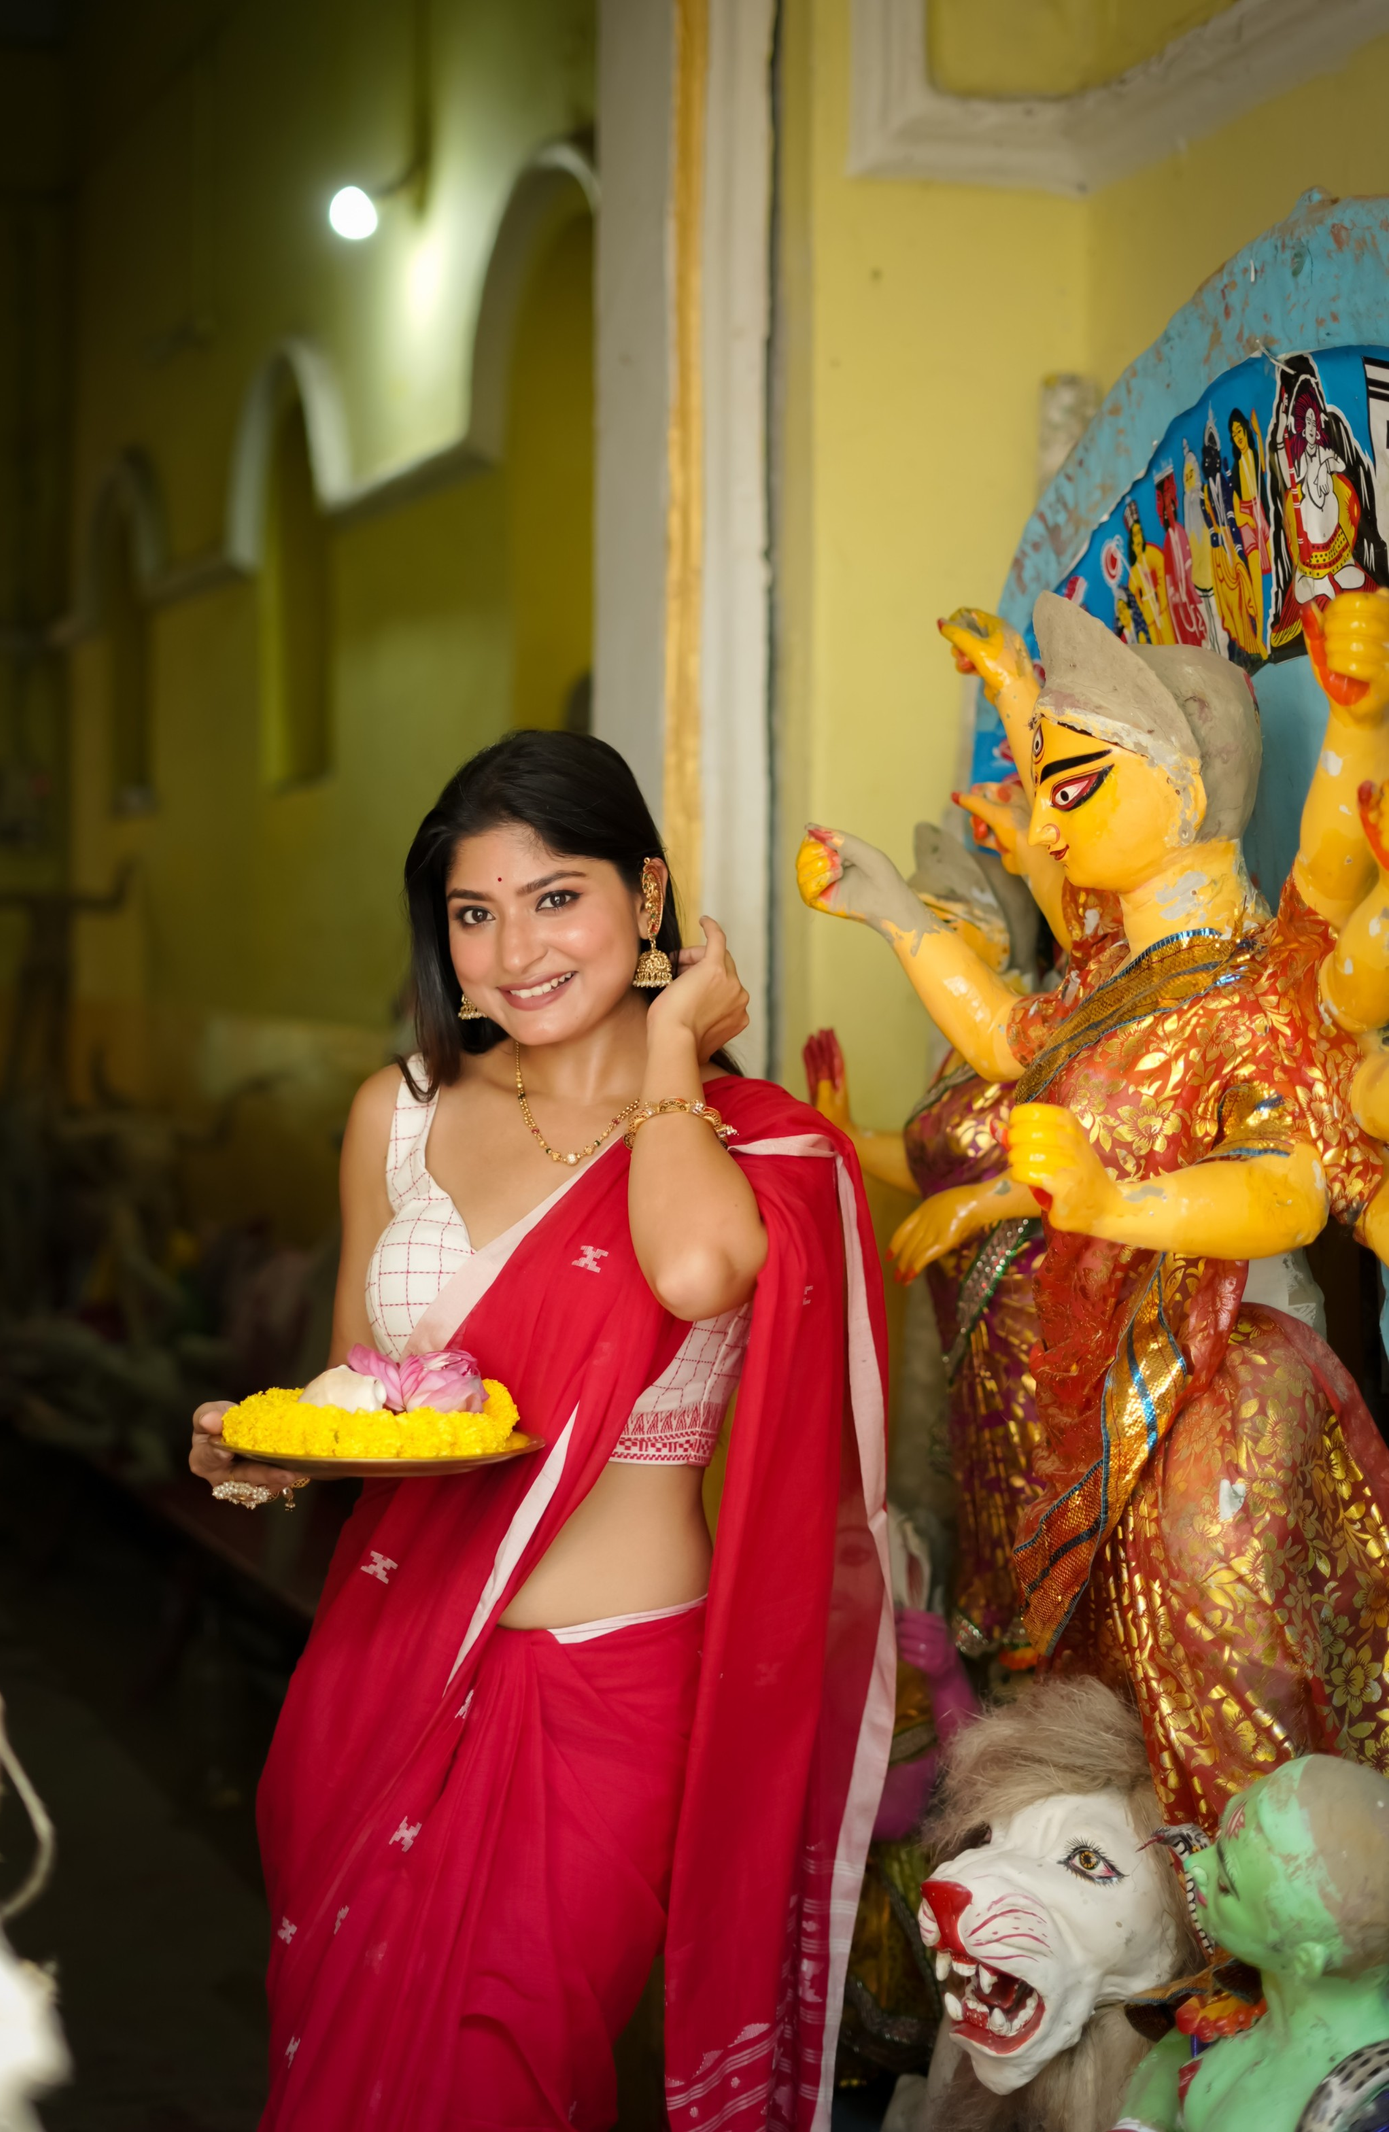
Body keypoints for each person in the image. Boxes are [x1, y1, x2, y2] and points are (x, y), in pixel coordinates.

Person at [189, 730, 894, 2132]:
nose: (513, 949)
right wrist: (264, 1457)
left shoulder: (754, 1139)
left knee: (499, 2075)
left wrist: (673, 1055)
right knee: (341, 2067)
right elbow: (361, 1394)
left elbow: (696, 1276)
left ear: (647, 896)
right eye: (473, 912)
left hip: (608, 1694)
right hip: (387, 1660)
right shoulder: (395, 1114)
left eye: (554, 896)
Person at [798, 590, 1389, 1829]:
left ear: (1187, 786)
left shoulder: (1258, 977)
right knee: (1085, 1711)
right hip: (1068, 1413)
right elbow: (1010, 1033)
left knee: (1218, 1657)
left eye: (1075, 789)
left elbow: (1286, 1188)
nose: (1048, 831)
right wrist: (894, 913)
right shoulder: (1105, 983)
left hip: (1214, 1385)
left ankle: (1262, 1942)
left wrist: (1121, 1200)